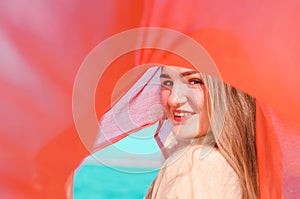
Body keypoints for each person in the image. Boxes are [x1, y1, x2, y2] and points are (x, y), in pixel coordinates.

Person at [145, 66, 258, 198]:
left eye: (194, 81)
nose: (173, 100)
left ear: (224, 91)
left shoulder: (196, 162)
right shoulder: (245, 168)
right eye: (167, 83)